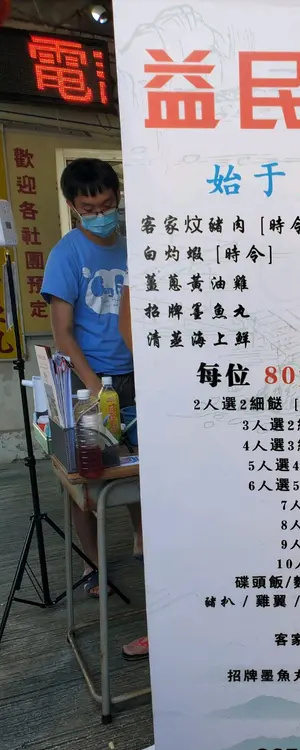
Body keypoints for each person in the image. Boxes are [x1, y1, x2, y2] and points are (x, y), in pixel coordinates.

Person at [42, 158, 143, 598]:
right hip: (86, 382)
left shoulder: (136, 247)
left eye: (106, 205)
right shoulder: (66, 254)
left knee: (140, 468)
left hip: (135, 375)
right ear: (72, 206)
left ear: (118, 198)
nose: (100, 215)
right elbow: (62, 333)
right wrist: (96, 387)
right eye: (89, 209)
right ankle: (94, 565)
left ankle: (142, 540)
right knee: (84, 478)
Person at [117, 281, 149, 661]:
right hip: (173, 399)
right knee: (170, 522)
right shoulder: (143, 260)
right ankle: (163, 625)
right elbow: (128, 324)